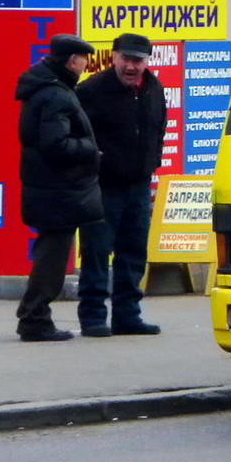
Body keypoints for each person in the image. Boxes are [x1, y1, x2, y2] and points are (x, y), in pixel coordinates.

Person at [74, 33, 166, 337]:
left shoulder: (153, 88)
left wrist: (151, 162)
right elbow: (78, 136)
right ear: (113, 57)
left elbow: (158, 128)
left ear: (146, 62)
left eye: (137, 60)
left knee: (133, 251)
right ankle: (93, 317)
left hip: (139, 184)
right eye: (125, 58)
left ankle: (127, 315)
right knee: (98, 251)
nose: (131, 66)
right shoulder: (92, 90)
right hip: (103, 185)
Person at [14, 34, 104, 342]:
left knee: (48, 253)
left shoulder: (44, 89)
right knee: (52, 258)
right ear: (72, 61)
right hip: (59, 190)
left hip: (47, 187)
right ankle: (35, 318)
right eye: (83, 61)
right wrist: (91, 150)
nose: (85, 67)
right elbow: (56, 144)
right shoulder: (57, 95)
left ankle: (34, 315)